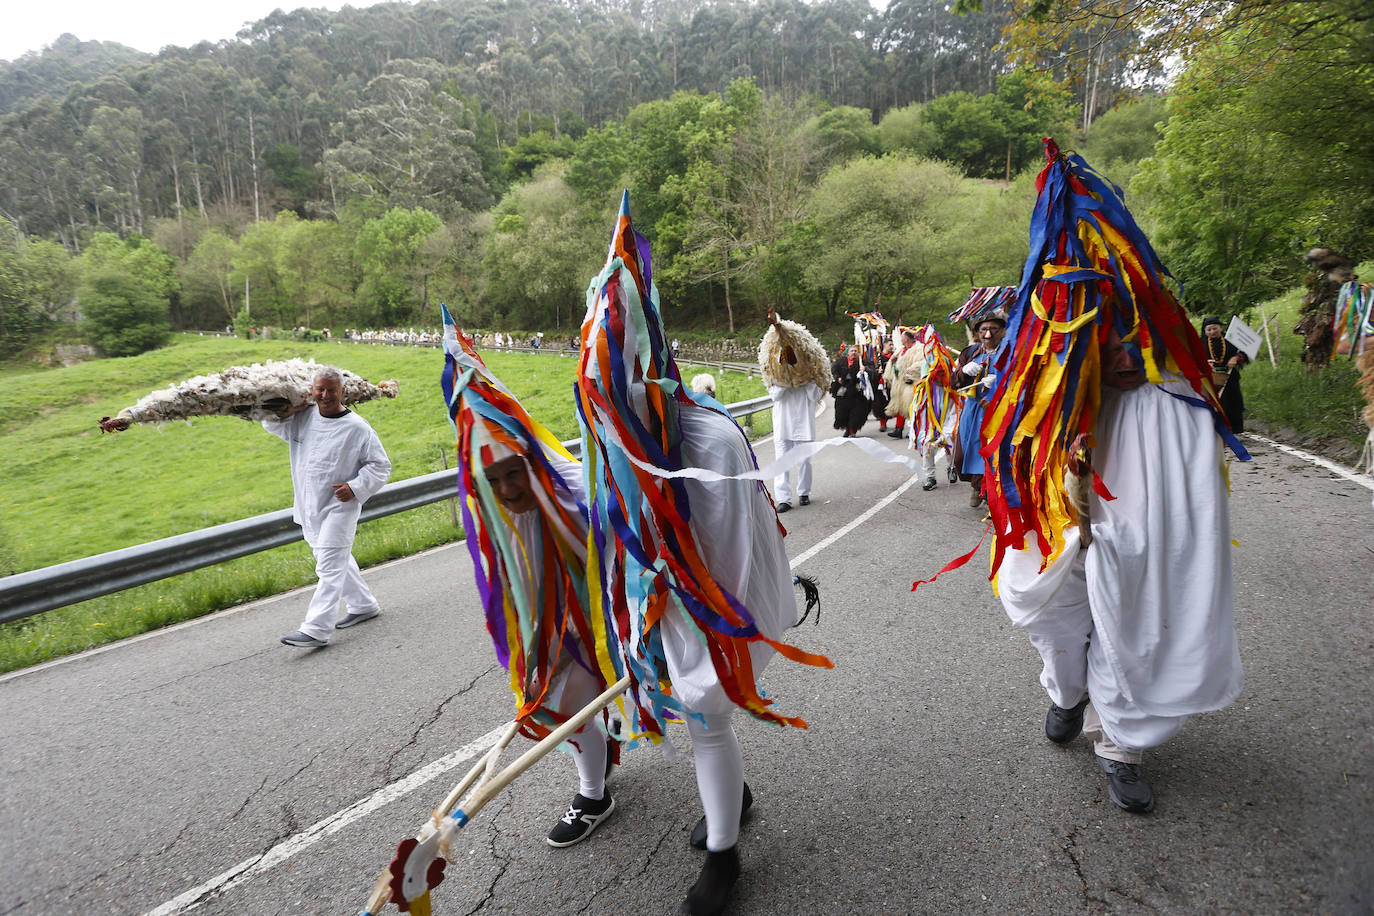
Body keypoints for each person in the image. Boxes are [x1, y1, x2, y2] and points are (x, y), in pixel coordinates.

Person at [577, 194, 832, 916]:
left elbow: (733, 558)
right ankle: (732, 798)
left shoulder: (711, 442)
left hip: (720, 605)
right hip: (665, 605)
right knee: (697, 717)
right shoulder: (614, 443)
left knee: (707, 709)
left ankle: (725, 858)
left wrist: (692, 624)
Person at [981, 138, 1250, 815]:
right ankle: (1067, 692)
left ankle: (1119, 740)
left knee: (1133, 590)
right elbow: (1017, 403)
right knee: (1051, 595)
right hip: (1062, 461)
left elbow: (1185, 383)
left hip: (1141, 455)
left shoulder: (1165, 360)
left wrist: (1141, 373)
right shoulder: (1045, 317)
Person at [441, 318, 619, 846]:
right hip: (550, 624)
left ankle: (602, 788)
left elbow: (616, 537)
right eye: (491, 482)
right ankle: (597, 781)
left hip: (602, 610)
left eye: (512, 473)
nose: (506, 488)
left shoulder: (566, 486)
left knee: (589, 699)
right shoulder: (491, 513)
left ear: (528, 459)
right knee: (555, 703)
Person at [265, 368, 391, 648]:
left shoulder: (358, 428)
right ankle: (364, 605)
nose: (324, 395)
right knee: (337, 561)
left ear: (342, 392)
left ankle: (316, 629)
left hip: (339, 508)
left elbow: (381, 466)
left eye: (331, 389)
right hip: (308, 506)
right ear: (312, 390)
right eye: (319, 389)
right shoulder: (304, 418)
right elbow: (271, 424)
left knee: (329, 567)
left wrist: (356, 487)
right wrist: (288, 409)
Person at [760, 308, 830, 513]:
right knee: (782, 461)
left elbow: (815, 396)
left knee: (804, 461)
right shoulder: (776, 379)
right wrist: (785, 377)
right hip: (782, 425)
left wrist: (803, 376)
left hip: (803, 424)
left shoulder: (810, 380)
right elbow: (775, 396)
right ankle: (783, 498)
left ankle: (804, 492)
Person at [952, 312, 1005, 507]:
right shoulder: (970, 352)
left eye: (993, 329)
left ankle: (988, 492)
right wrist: (963, 371)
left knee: (991, 454)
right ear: (977, 332)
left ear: (1002, 331)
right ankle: (976, 486)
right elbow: (953, 382)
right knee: (962, 454)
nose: (988, 335)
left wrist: (1000, 382)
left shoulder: (1010, 352)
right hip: (972, 410)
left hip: (997, 411)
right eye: (983, 330)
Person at [1201, 316, 1248, 433]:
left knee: (1232, 402)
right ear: (1205, 331)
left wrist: (1236, 358)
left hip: (1230, 377)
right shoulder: (1200, 343)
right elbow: (1195, 359)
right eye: (1209, 330)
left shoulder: (1231, 340)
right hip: (1211, 378)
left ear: (1220, 328)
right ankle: (1214, 430)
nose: (1212, 332)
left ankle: (1234, 429)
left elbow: (1244, 353)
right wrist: (1205, 363)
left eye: (1214, 329)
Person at [884, 329, 922, 440]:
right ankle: (898, 429)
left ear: (907, 338)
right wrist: (893, 361)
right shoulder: (900, 350)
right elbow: (894, 363)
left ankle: (913, 430)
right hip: (900, 382)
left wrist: (911, 371)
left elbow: (920, 363)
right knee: (900, 405)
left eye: (902, 337)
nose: (900, 339)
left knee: (911, 406)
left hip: (911, 382)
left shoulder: (918, 348)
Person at [830, 346, 873, 437]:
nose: (854, 352)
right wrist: (838, 378)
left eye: (855, 351)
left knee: (857, 412)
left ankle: (852, 430)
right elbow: (834, 371)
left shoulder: (863, 362)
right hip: (844, 390)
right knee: (842, 411)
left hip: (857, 392)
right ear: (848, 353)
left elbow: (872, 373)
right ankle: (847, 429)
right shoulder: (841, 362)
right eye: (852, 351)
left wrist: (865, 370)